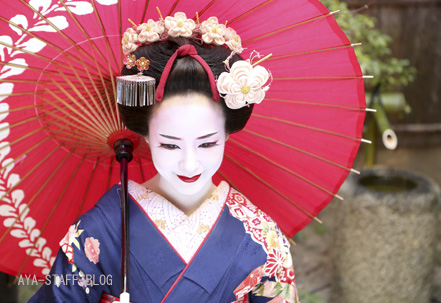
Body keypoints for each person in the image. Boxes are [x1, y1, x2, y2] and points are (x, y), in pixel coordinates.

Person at [30, 13, 300, 303]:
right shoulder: (103, 230)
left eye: (207, 143)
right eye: (170, 146)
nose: (190, 163)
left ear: (227, 134)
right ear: (145, 134)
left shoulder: (261, 236)